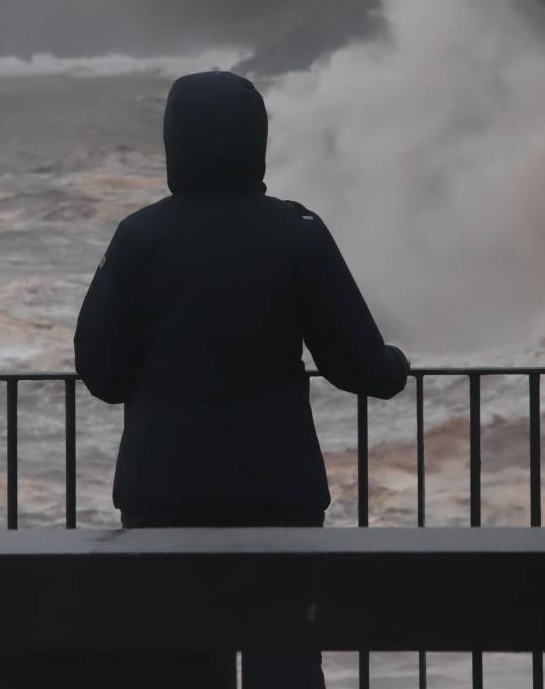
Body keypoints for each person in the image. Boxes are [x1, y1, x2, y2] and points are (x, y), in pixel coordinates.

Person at [72, 70, 411, 688]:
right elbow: (358, 365)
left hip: (163, 487)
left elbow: (100, 370)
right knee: (282, 657)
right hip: (277, 489)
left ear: (174, 139)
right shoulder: (297, 232)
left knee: (173, 661)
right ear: (256, 140)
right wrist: (394, 367)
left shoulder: (140, 236)